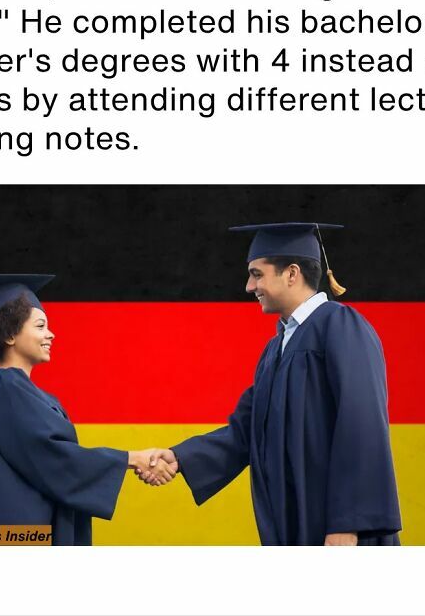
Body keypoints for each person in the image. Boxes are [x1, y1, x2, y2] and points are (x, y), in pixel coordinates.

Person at [141, 223, 402, 546]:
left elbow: (363, 427)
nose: (250, 286)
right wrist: (180, 458)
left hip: (335, 526)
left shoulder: (340, 327)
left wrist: (348, 524)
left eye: (257, 274)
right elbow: (246, 430)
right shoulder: (276, 348)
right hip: (291, 520)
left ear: (291, 274)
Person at [0, 273, 174, 545]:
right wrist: (132, 459)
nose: (51, 334)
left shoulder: (28, 392)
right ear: (10, 333)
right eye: (40, 325)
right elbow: (51, 457)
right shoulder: (4, 387)